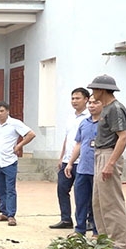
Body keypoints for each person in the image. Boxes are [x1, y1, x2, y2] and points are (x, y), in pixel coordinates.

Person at [88, 74, 126, 249]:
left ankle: (120, 244)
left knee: (111, 201)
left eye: (94, 89)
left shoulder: (115, 109)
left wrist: (110, 163)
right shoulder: (105, 109)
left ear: (102, 90)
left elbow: (123, 137)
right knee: (99, 201)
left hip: (108, 154)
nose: (92, 92)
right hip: (100, 154)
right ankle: (107, 241)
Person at [0, 100, 36, 227]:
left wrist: (19, 146)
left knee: (10, 189)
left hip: (9, 161)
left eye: (2, 111)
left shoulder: (15, 124)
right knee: (0, 188)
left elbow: (31, 134)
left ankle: (11, 215)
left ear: (7, 111)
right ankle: (3, 212)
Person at [50, 88, 90, 229]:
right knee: (62, 189)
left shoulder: (90, 117)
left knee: (83, 193)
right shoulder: (70, 117)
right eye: (72, 98)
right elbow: (68, 138)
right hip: (67, 160)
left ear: (86, 99)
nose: (74, 101)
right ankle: (66, 219)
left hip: (82, 162)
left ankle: (88, 221)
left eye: (77, 98)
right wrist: (62, 157)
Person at [64, 95, 101, 237]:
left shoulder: (105, 124)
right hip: (82, 168)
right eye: (90, 103)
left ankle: (97, 232)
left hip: (97, 169)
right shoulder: (84, 123)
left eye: (95, 102)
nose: (91, 105)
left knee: (96, 203)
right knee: (80, 201)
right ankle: (79, 230)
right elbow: (78, 144)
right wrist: (70, 163)